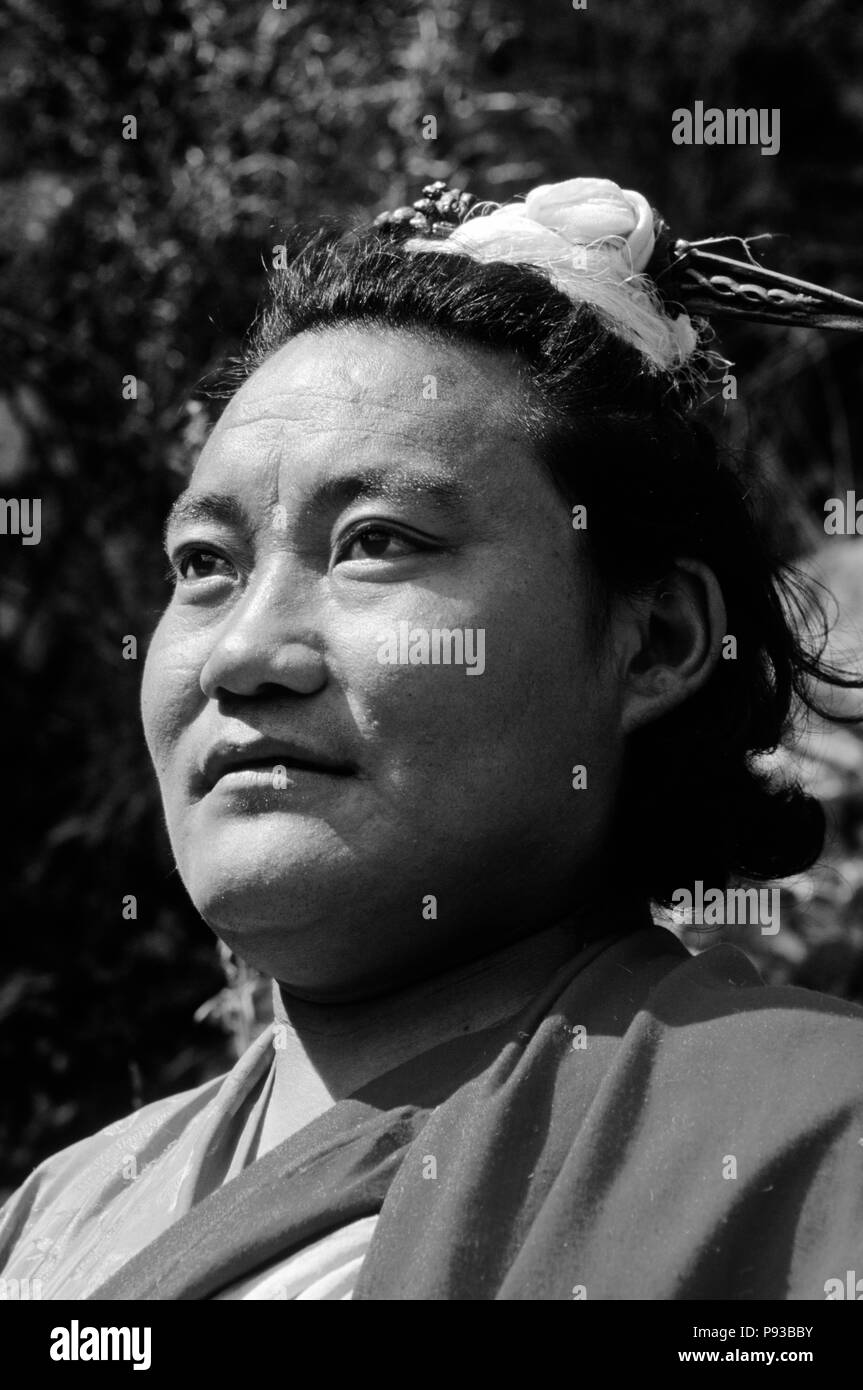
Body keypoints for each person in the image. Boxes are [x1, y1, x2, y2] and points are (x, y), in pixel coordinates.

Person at [2, 176, 863, 1301]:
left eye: (375, 541)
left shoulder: (812, 1141)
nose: (241, 652)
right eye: (203, 565)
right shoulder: (50, 1219)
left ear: (652, 638)